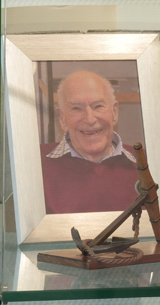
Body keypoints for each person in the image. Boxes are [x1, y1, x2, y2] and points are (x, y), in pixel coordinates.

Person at [40, 70, 140, 214]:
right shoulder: (35, 163)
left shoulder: (145, 163)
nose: (90, 119)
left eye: (98, 106)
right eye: (76, 108)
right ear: (62, 118)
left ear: (114, 112)